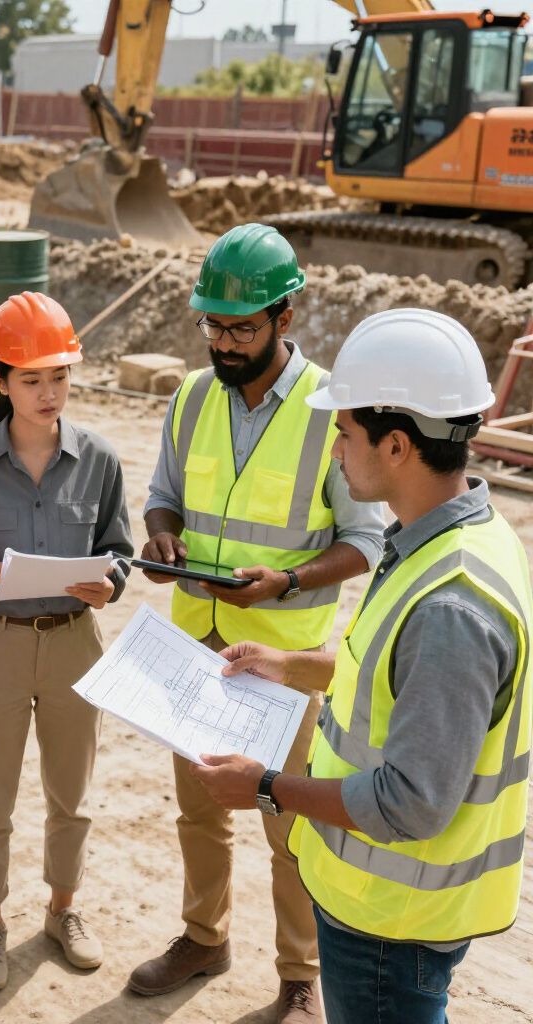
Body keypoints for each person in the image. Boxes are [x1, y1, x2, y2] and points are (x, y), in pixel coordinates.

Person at [189, 308, 532, 1024]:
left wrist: (268, 787)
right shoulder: (453, 539)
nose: (336, 451)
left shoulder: (450, 606)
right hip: (385, 909)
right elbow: (383, 680)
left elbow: (411, 801)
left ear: (398, 444)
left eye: (344, 434)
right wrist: (289, 663)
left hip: (391, 922)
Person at [131, 224, 386, 1022]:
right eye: (213, 325)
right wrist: (162, 530)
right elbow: (162, 493)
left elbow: (366, 540)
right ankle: (204, 937)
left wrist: (288, 580)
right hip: (196, 647)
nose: (224, 342)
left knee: (290, 824)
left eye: (240, 327)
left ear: (285, 316)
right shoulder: (191, 396)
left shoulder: (329, 414)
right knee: (200, 809)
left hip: (286, 663)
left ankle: (300, 974)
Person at [0, 292, 134, 991]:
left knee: (72, 795)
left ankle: (62, 910)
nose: (50, 393)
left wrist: (113, 582)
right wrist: (1, 572)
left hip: (77, 640)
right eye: (31, 379)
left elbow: (119, 548)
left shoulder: (100, 459)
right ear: (0, 381)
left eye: (60, 376)